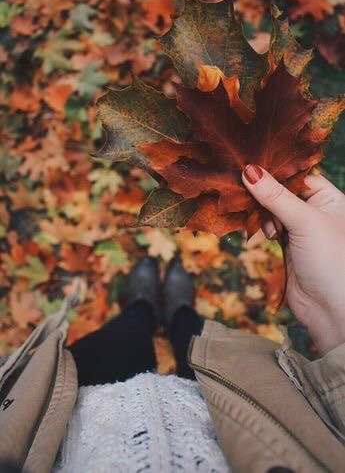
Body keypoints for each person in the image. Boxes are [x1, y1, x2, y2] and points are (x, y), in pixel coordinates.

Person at [1, 165, 345, 473]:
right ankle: (178, 310)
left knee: (123, 334)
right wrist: (335, 309)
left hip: (87, 408)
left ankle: (144, 308)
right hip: (240, 411)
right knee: (194, 336)